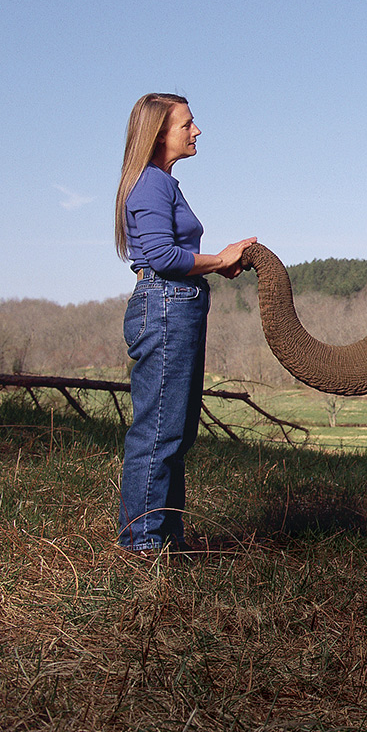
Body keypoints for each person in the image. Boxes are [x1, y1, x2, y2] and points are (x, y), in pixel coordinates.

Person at [114, 93, 256, 554]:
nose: (196, 131)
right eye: (187, 124)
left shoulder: (160, 183)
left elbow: (172, 255)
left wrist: (214, 266)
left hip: (177, 303)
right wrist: (218, 259)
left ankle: (165, 541)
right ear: (159, 134)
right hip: (166, 304)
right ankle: (141, 545)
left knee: (175, 430)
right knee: (159, 430)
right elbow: (161, 256)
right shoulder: (151, 183)